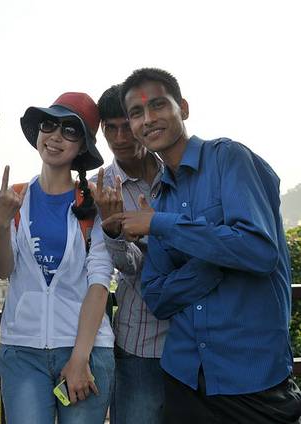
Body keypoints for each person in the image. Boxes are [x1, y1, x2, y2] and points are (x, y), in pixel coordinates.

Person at [107, 67, 301, 423]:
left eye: (158, 105)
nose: (147, 119)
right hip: (185, 376)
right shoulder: (161, 200)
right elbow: (157, 297)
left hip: (252, 376)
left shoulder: (229, 160)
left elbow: (260, 252)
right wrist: (218, 262)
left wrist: (162, 225)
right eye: (136, 113)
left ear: (183, 107)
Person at [0, 92, 115, 423]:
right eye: (49, 125)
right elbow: (4, 268)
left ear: (82, 146)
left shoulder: (94, 204)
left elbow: (99, 284)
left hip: (87, 350)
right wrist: (0, 224)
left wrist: (80, 358)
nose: (55, 136)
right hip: (23, 350)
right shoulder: (16, 198)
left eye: (70, 130)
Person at [89, 84, 167, 424]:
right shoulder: (100, 187)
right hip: (140, 342)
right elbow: (127, 266)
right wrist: (114, 231)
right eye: (111, 128)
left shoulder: (176, 172)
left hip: (194, 339)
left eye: (127, 125)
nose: (120, 138)